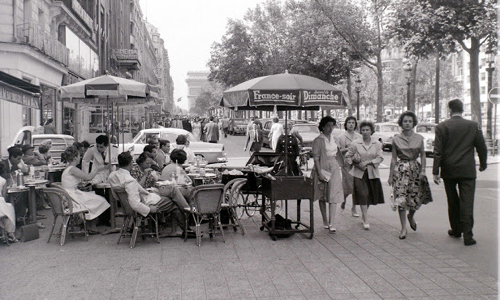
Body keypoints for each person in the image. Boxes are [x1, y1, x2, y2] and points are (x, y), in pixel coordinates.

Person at [432, 99, 487, 246]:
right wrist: (483, 163)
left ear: (450, 110)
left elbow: (438, 151)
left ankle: (456, 229)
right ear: (462, 109)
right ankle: (468, 235)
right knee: (467, 202)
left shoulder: (442, 126)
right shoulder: (473, 126)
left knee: (453, 201)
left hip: (449, 170)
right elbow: (481, 146)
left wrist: (435, 171)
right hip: (467, 170)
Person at [109, 152, 192, 236]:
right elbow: (135, 203)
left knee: (171, 193)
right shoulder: (129, 180)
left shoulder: (113, 176)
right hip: (143, 203)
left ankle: (186, 219)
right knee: (173, 202)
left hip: (130, 205)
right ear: (131, 163)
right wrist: (149, 209)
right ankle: (187, 225)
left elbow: (116, 195)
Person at [388, 111, 431, 239]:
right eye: (405, 121)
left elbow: (423, 154)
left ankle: (411, 216)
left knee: (415, 198)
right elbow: (394, 158)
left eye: (410, 121)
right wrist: (391, 175)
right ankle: (403, 228)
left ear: (413, 123)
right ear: (401, 123)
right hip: (401, 170)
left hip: (415, 169)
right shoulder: (396, 139)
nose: (407, 124)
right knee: (401, 199)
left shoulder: (419, 138)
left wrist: (423, 170)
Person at [60, 146, 110, 234]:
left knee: (93, 198)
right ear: (75, 157)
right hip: (72, 196)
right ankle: (91, 226)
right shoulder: (73, 169)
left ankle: (90, 225)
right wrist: (97, 168)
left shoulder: (68, 168)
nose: (80, 158)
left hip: (69, 194)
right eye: (79, 156)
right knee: (99, 200)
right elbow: (88, 177)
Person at [345, 121, 384, 230]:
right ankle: (366, 218)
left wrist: (368, 162)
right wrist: (354, 162)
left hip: (372, 172)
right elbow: (348, 156)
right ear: (360, 131)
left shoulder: (377, 143)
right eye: (363, 130)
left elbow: (380, 157)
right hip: (359, 173)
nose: (365, 132)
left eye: (367, 130)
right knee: (363, 194)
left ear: (372, 131)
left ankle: (364, 212)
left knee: (370, 195)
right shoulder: (355, 143)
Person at [312, 116, 344, 233]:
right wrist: (319, 172)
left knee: (333, 193)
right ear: (323, 127)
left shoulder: (334, 139)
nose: (331, 128)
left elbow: (338, 153)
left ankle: (332, 222)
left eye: (332, 126)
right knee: (322, 194)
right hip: (322, 166)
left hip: (334, 166)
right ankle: (325, 220)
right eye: (328, 126)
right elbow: (316, 158)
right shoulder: (318, 140)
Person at [337, 116, 362, 217]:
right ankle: (343, 200)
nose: (351, 124)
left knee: (356, 186)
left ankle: (354, 207)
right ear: (346, 125)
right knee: (347, 186)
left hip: (357, 164)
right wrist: (348, 149)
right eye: (349, 123)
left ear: (355, 124)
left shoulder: (359, 136)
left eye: (353, 123)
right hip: (346, 164)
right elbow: (338, 151)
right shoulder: (341, 137)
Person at [0, 165, 17, 242]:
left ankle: (4, 232)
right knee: (9, 208)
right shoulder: (3, 180)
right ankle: (9, 232)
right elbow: (4, 196)